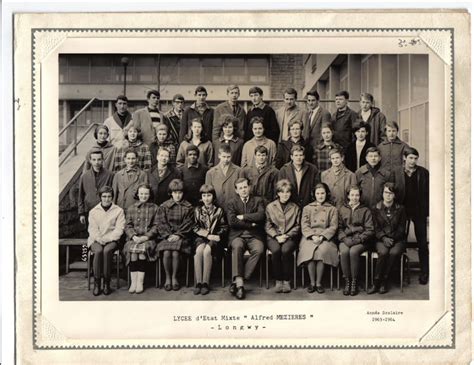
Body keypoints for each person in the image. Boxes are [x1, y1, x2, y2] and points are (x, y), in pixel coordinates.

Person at [227, 178, 266, 300]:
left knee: (259, 250)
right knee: (237, 247)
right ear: (236, 190)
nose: (243, 190)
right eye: (240, 188)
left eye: (245, 187)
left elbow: (260, 216)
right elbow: (232, 222)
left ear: (249, 187)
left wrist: (243, 216)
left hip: (254, 235)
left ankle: (239, 281)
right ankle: (240, 286)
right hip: (237, 235)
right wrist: (251, 224)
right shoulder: (231, 202)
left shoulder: (258, 200)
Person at [297, 183, 339, 293]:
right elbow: (304, 225)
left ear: (326, 194)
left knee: (322, 251)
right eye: (318, 193)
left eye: (322, 193)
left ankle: (319, 283)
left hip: (325, 237)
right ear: (314, 194)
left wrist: (322, 236)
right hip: (309, 236)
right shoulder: (307, 208)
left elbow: (333, 226)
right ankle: (312, 282)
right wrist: (312, 236)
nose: (320, 196)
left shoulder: (332, 209)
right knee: (309, 251)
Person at [368, 183, 407, 295]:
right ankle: (376, 282)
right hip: (381, 239)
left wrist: (392, 238)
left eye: (391, 193)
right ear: (382, 193)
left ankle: (384, 281)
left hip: (397, 239)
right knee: (383, 252)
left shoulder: (400, 209)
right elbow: (375, 227)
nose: (388, 195)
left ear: (394, 195)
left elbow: (401, 228)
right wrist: (384, 238)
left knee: (394, 253)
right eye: (386, 192)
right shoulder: (375, 208)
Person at [156, 179, 194, 291]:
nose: (177, 195)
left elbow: (189, 223)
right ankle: (168, 277)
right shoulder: (164, 206)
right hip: (166, 236)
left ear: (183, 193)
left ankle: (174, 277)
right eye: (175, 193)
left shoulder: (188, 207)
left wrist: (178, 235)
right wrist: (168, 235)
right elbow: (160, 223)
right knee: (167, 252)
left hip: (182, 236)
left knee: (176, 252)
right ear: (171, 193)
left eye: (180, 193)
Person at [87, 186, 125, 296]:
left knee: (107, 251)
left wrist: (108, 239)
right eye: (104, 196)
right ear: (100, 197)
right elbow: (92, 229)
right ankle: (97, 283)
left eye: (109, 196)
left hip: (112, 239)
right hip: (96, 239)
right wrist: (99, 239)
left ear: (112, 197)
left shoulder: (118, 211)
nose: (106, 199)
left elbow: (119, 229)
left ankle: (106, 283)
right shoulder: (93, 211)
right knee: (98, 251)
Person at [265, 179, 301, 293]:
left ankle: (286, 280)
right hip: (273, 236)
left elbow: (298, 225)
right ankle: (278, 280)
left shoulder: (295, 207)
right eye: (282, 192)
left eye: (288, 192)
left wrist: (287, 235)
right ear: (278, 193)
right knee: (275, 250)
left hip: (289, 237)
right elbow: (267, 225)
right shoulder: (270, 207)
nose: (285, 194)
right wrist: (276, 236)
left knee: (286, 251)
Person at [338, 185, 375, 296]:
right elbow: (339, 228)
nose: (354, 197)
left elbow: (370, 230)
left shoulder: (365, 210)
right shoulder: (342, 209)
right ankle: (347, 281)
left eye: (357, 195)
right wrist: (344, 238)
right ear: (348, 196)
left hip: (361, 240)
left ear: (360, 196)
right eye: (352, 195)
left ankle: (354, 281)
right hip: (346, 239)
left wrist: (358, 239)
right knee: (344, 252)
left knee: (353, 251)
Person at [192, 184, 228, 295]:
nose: (206, 198)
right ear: (201, 197)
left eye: (209, 195)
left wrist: (218, 235)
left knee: (207, 251)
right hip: (201, 238)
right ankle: (198, 282)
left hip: (215, 239)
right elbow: (194, 226)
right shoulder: (197, 210)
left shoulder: (219, 211)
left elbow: (224, 227)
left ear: (213, 196)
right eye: (204, 196)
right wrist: (207, 235)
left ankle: (205, 283)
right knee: (199, 251)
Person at [124, 184, 160, 294]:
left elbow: (156, 226)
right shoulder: (131, 208)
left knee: (141, 253)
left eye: (146, 194)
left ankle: (140, 282)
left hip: (148, 239)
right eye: (141, 194)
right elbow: (127, 225)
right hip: (133, 239)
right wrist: (133, 236)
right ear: (137, 194)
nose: (143, 196)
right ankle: (133, 282)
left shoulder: (155, 208)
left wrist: (145, 237)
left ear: (149, 195)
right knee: (133, 253)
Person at [402, 147, 430, 284]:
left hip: (419, 211)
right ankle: (399, 271)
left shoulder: (423, 173)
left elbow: (428, 194)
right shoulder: (398, 172)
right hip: (403, 211)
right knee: (400, 241)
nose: (413, 161)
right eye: (410, 158)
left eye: (415, 158)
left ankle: (424, 272)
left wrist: (427, 212)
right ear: (404, 158)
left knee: (422, 243)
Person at [78, 150, 115, 225]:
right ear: (90, 160)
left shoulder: (110, 175)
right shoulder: (84, 176)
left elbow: (113, 193)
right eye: (94, 160)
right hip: (89, 210)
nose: (96, 162)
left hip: (105, 211)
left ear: (102, 160)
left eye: (99, 159)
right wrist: (81, 213)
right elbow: (80, 196)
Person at [205, 144, 241, 211]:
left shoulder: (238, 170)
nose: (226, 159)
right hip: (217, 208)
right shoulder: (210, 173)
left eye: (228, 157)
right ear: (219, 156)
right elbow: (208, 192)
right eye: (223, 156)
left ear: (231, 156)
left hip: (234, 208)